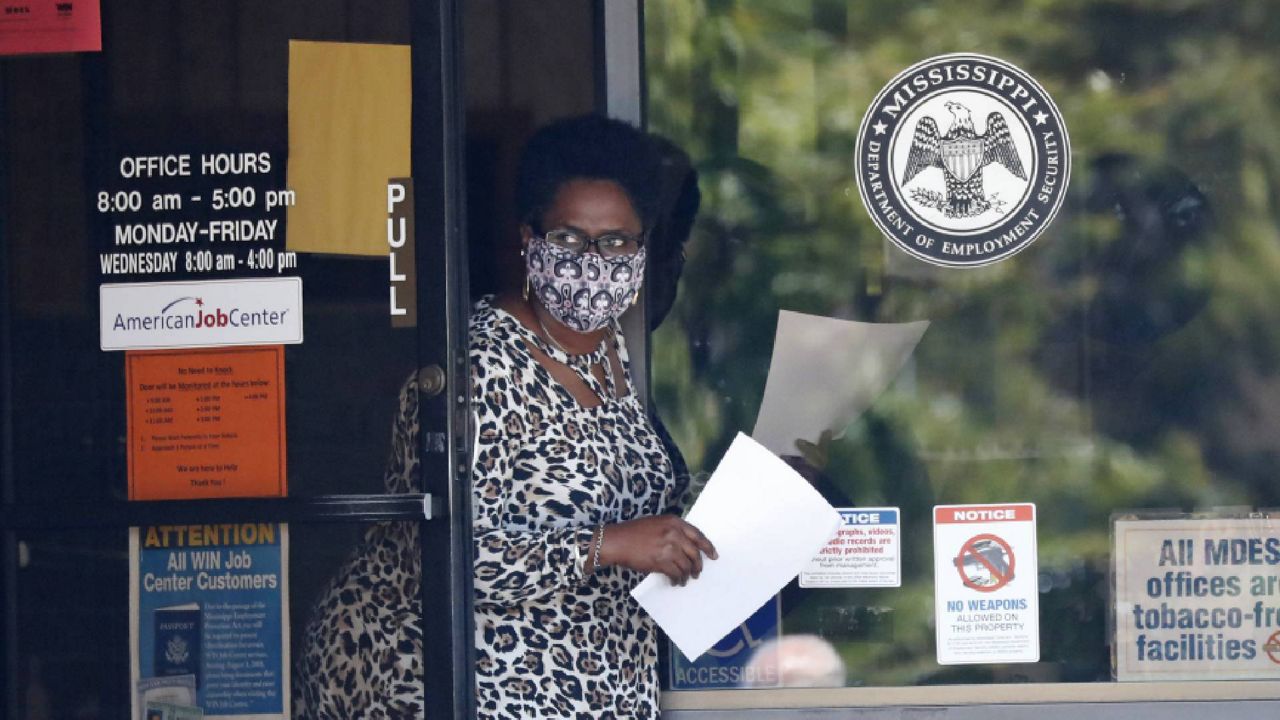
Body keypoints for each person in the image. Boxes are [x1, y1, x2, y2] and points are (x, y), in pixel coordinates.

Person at [470, 113, 715, 718]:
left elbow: (630, 498)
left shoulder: (612, 350)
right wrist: (608, 546)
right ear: (529, 240)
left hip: (605, 683)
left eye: (614, 242)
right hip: (498, 689)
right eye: (569, 239)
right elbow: (453, 556)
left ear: (641, 248)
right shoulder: (481, 363)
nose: (592, 261)